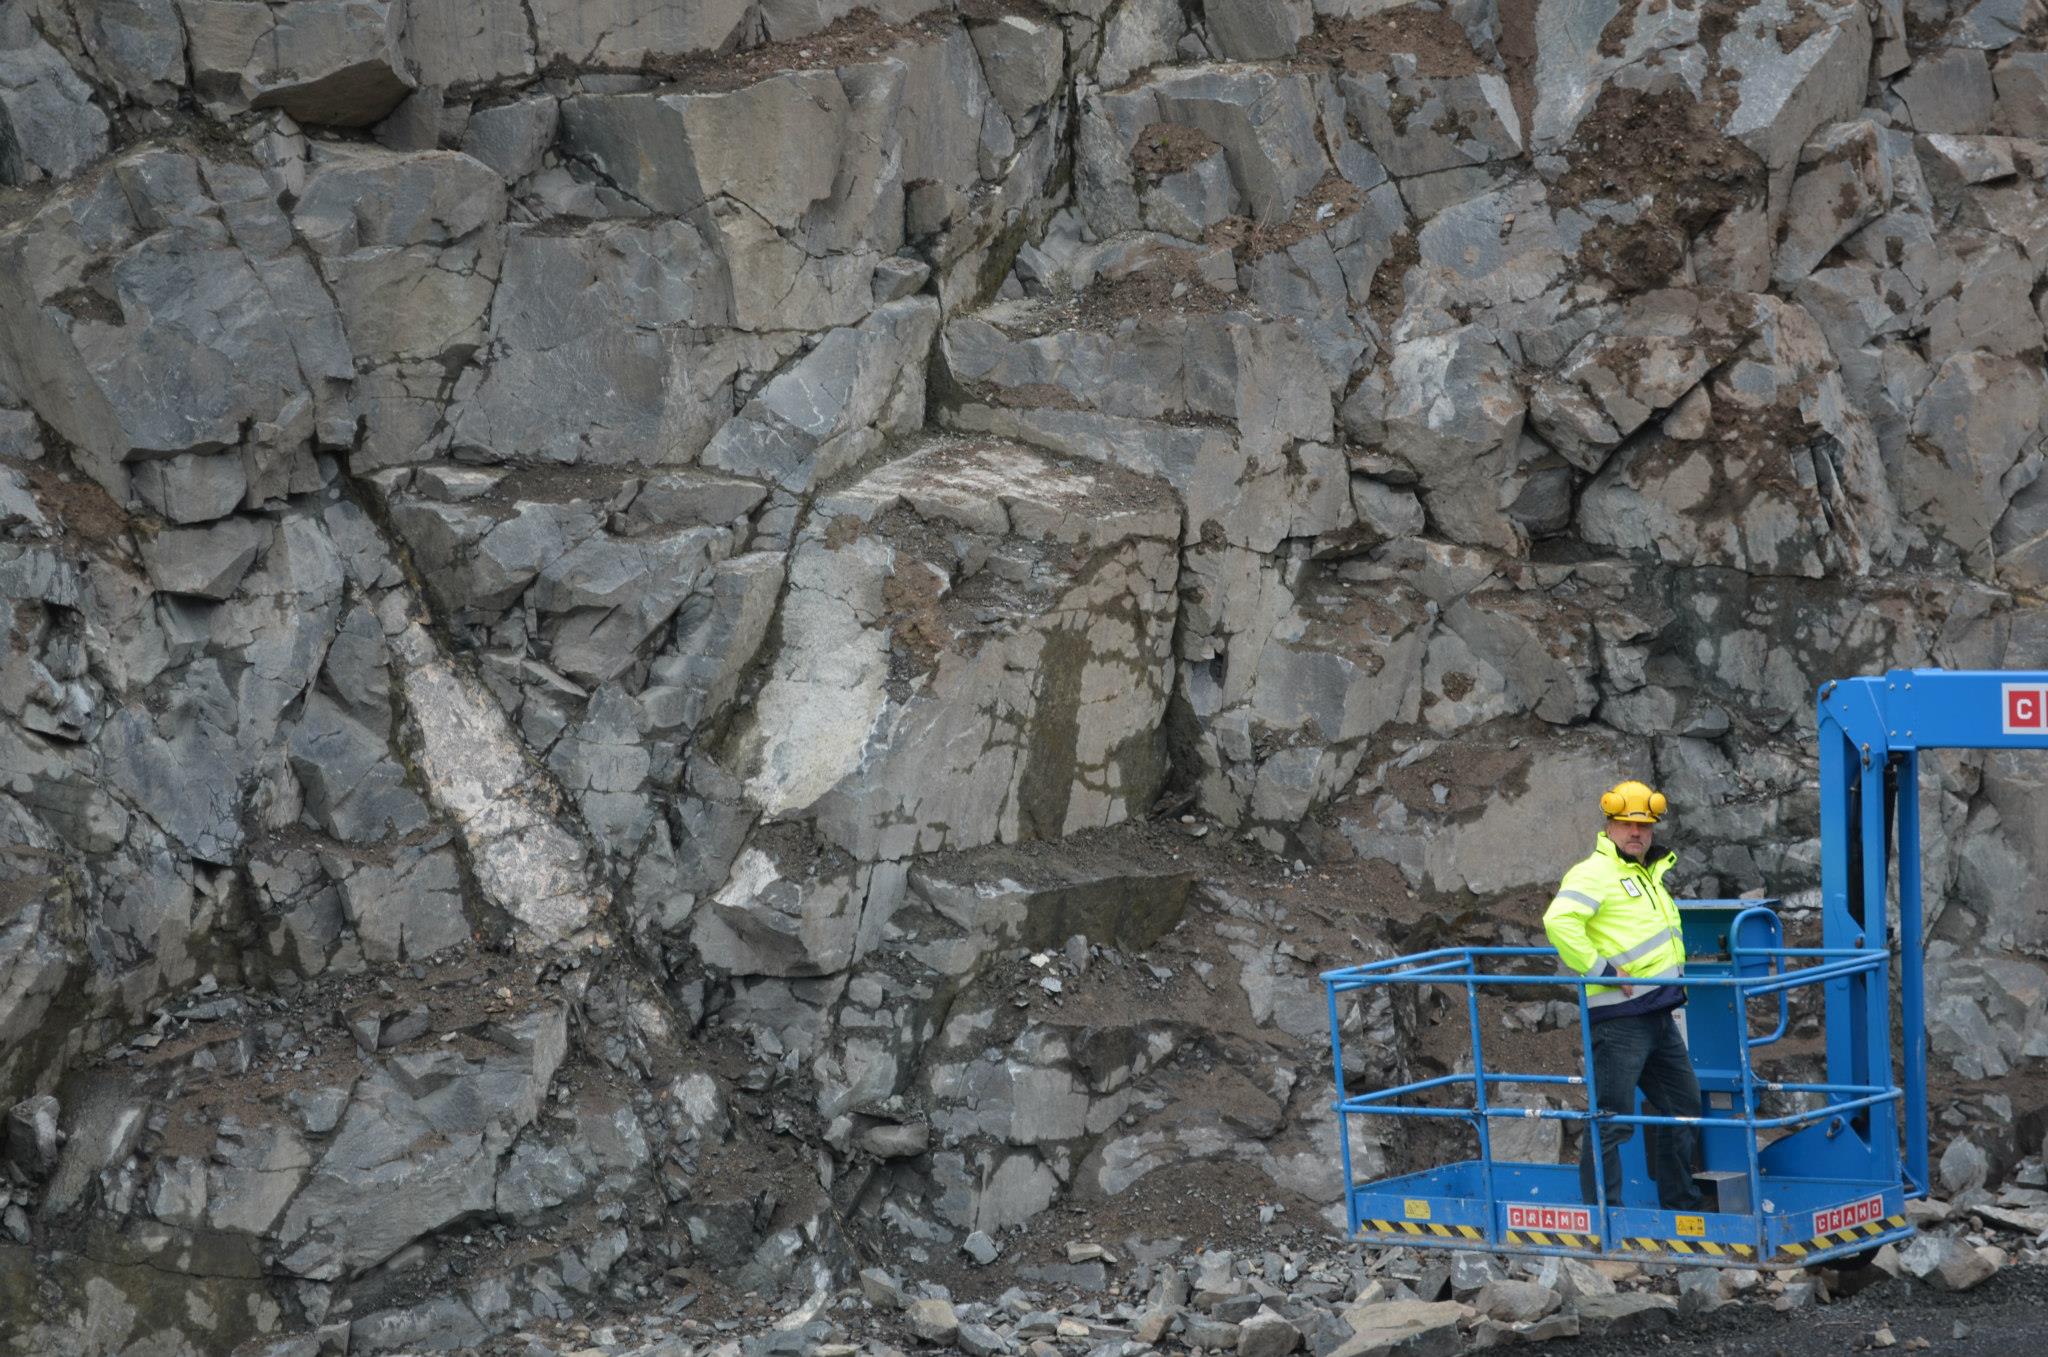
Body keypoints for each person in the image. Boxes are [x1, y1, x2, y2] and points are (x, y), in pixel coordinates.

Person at [1543, 779, 1704, 1211]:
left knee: (1684, 1105)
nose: (1636, 833)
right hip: (1619, 1020)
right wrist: (1602, 970)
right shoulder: (1595, 872)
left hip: (1657, 1013)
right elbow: (1559, 921)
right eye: (1626, 824)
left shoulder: (1647, 874)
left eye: (1644, 826)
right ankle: (1605, 1221)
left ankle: (1681, 1207)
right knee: (1611, 1121)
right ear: (1609, 825)